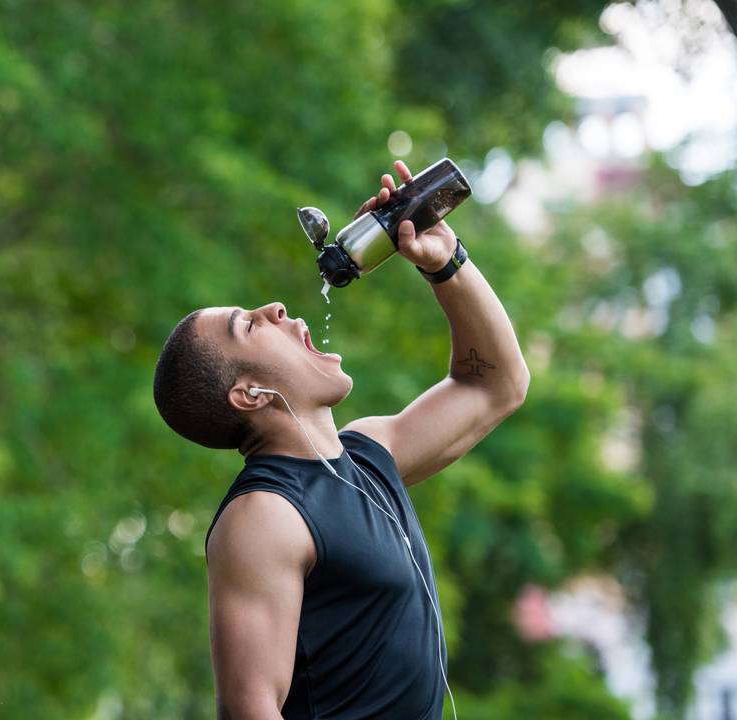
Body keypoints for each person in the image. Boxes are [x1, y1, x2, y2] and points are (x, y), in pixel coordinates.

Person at [151, 159, 530, 720]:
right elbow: (248, 708)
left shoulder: (369, 455)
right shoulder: (263, 516)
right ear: (249, 394)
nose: (275, 308)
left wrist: (445, 261)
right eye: (249, 325)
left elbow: (498, 384)